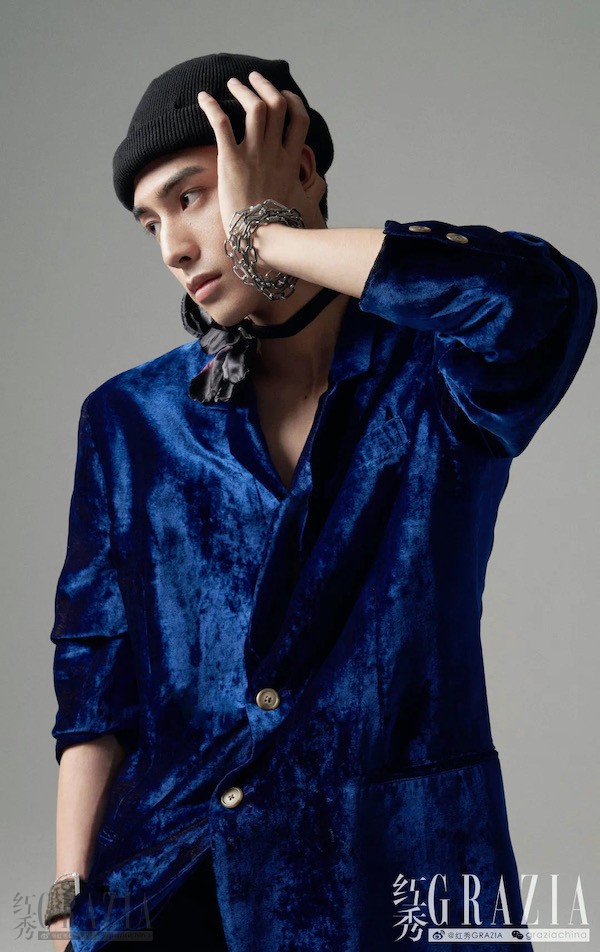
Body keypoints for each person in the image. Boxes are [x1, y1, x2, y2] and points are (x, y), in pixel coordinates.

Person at [46, 52, 596, 952]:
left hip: (400, 873)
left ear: (299, 168)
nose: (173, 247)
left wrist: (272, 241)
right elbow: (95, 683)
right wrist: (69, 903)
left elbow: (541, 301)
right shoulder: (129, 419)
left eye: (192, 196)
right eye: (150, 223)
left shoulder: (436, 377)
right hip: (176, 884)